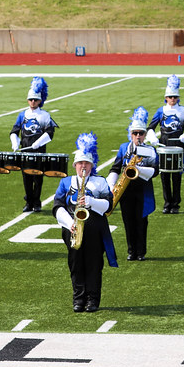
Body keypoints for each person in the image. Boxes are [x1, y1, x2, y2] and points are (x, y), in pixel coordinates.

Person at [52, 133, 118, 313]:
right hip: (73, 228)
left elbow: (108, 205)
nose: (83, 166)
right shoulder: (66, 182)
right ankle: (78, 299)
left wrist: (91, 202)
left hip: (95, 229)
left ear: (91, 165)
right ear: (75, 165)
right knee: (75, 264)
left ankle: (92, 300)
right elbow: (57, 207)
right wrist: (69, 223)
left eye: (86, 163)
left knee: (94, 265)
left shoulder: (100, 182)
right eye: (80, 163)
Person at [106, 107, 157, 261]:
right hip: (126, 190)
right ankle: (131, 251)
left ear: (145, 134)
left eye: (141, 133)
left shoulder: (150, 150)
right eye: (135, 133)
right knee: (128, 221)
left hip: (142, 189)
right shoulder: (124, 148)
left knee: (141, 221)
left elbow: (156, 171)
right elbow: (115, 167)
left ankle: (141, 251)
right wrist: (111, 187)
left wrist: (139, 170)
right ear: (130, 134)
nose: (138, 136)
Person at [147, 75, 184, 214]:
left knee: (176, 175)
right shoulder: (160, 111)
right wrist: (152, 137)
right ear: (166, 98)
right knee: (164, 175)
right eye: (170, 97)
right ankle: (167, 203)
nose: (172, 99)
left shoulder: (183, 111)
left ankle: (175, 204)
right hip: (164, 146)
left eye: (175, 97)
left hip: (178, 146)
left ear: (178, 97)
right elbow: (151, 127)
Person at [10, 77, 57, 212]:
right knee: (26, 177)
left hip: (39, 151)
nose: (32, 102)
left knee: (38, 177)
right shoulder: (22, 115)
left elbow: (50, 133)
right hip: (25, 152)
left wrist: (38, 143)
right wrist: (15, 142)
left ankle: (36, 202)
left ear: (40, 100)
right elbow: (14, 131)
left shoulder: (45, 115)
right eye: (30, 99)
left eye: (35, 100)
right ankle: (29, 202)